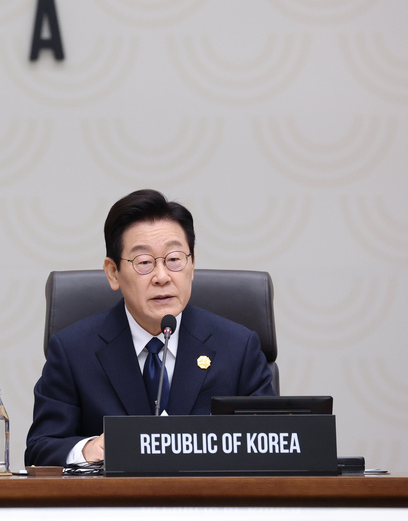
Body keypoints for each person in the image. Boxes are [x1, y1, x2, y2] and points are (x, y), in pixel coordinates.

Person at [24, 189, 275, 467]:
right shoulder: (73, 351)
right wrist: (87, 450)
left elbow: (272, 442)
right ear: (113, 273)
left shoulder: (238, 348)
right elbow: (41, 449)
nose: (162, 276)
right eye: (144, 262)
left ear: (192, 265)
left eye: (175, 259)